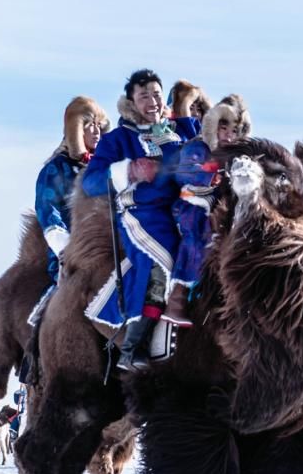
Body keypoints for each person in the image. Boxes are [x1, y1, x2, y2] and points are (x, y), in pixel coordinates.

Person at [82, 69, 192, 371]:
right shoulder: (118, 140)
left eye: (157, 94)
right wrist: (129, 170)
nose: (153, 101)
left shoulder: (177, 133)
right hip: (142, 215)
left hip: (184, 210)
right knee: (163, 259)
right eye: (144, 96)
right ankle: (134, 348)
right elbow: (90, 182)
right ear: (131, 102)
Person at [21, 98, 111, 382]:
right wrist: (65, 246)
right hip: (71, 252)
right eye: (89, 125)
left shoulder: (107, 171)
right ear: (75, 130)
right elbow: (48, 210)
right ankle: (38, 355)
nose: (96, 131)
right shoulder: (56, 169)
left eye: (99, 126)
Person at [165, 96, 252, 326]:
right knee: (198, 234)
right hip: (192, 204)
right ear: (214, 126)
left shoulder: (240, 157)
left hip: (224, 208)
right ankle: (178, 297)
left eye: (235, 130)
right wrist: (213, 175)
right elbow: (185, 173)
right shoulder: (197, 146)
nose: (229, 136)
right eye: (224, 129)